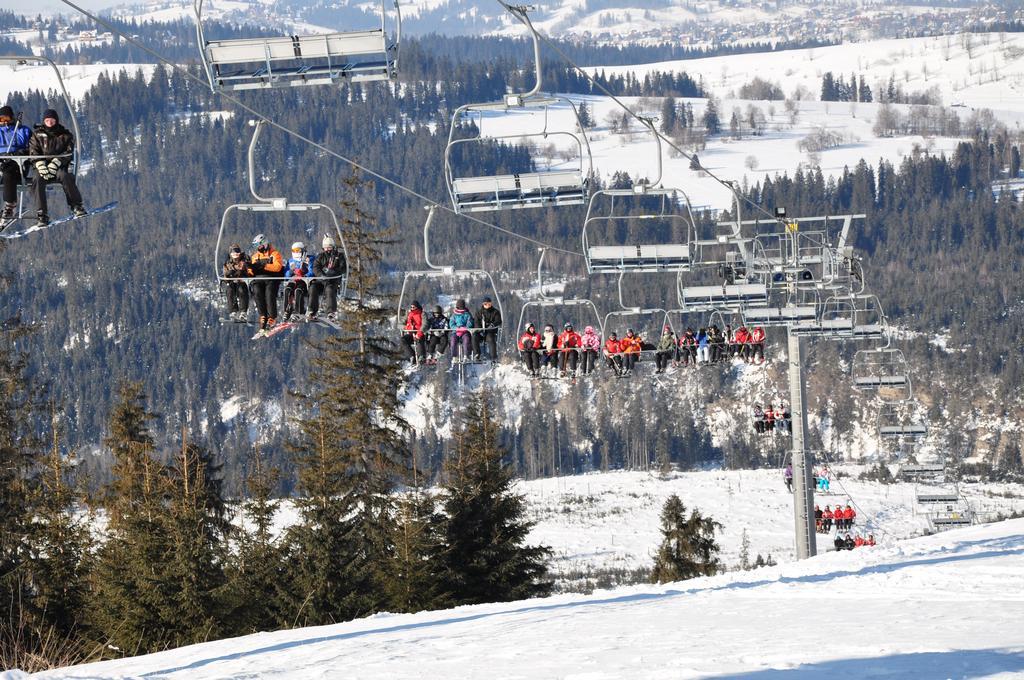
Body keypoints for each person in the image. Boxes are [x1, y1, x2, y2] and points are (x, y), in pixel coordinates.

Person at [28, 108, 86, 227]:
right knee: (37, 180)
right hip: (42, 167)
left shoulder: (64, 135)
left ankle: (76, 205)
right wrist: (40, 164)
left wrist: (57, 162)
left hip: (59, 167)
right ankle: (42, 214)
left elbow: (68, 151)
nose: (50, 122)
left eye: (52, 120)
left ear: (56, 121)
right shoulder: (37, 134)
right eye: (47, 120)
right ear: (44, 121)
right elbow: (33, 151)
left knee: (66, 176)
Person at [0, 105, 31, 220]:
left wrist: (18, 153)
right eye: (1, 120)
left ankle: (10, 205)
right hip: (1, 163)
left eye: (6, 119)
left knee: (8, 173)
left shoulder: (23, 131)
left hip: (18, 165)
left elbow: (33, 148)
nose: (4, 122)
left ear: (12, 118)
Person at [249, 234, 284, 331]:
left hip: (271, 279)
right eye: (256, 247)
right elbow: (251, 271)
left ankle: (272, 317)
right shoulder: (255, 257)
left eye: (259, 246)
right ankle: (263, 315)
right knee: (257, 291)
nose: (258, 248)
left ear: (264, 244)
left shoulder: (274, 254)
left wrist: (264, 266)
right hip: (259, 279)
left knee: (269, 293)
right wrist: (250, 268)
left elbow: (278, 267)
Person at [309, 235, 345, 322]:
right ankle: (312, 311)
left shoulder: (339, 256)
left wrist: (332, 272)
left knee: (329, 289)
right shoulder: (321, 256)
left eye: (329, 247)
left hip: (333, 281)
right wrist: (321, 275)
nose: (327, 249)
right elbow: (315, 267)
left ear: (333, 247)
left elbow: (343, 268)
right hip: (322, 281)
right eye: (325, 248)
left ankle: (331, 312)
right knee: (313, 287)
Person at [282, 241, 315, 322]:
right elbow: (286, 274)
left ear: (302, 250)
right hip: (293, 279)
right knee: (287, 290)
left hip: (304, 281)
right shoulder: (291, 261)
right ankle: (287, 311)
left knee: (298, 291)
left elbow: (312, 271)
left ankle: (298, 312)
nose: (296, 253)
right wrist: (291, 272)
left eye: (298, 250)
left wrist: (304, 274)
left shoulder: (309, 259)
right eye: (294, 251)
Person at [221, 243, 251, 322]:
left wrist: (241, 273)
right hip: (232, 282)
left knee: (241, 289)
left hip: (242, 281)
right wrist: (227, 275)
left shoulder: (244, 260)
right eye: (233, 252)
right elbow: (225, 275)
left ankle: (243, 312)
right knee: (230, 290)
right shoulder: (227, 263)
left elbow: (248, 270)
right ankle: (233, 311)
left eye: (237, 251)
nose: (235, 254)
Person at [473, 296, 502, 362]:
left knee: (491, 339)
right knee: (474, 336)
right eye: (486, 304)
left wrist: (492, 325)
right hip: (481, 331)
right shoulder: (479, 313)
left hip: (490, 331)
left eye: (489, 304)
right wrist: (479, 329)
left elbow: (498, 321)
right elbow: (476, 322)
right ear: (483, 304)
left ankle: (493, 357)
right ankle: (477, 354)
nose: (488, 305)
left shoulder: (495, 312)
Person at [400, 300, 425, 365]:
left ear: (417, 307)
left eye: (413, 307)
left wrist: (419, 333)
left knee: (419, 340)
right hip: (411, 333)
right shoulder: (408, 314)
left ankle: (421, 357)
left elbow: (425, 324)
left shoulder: (422, 314)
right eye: (411, 307)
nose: (412, 308)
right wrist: (405, 327)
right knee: (403, 340)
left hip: (419, 333)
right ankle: (412, 356)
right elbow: (401, 323)